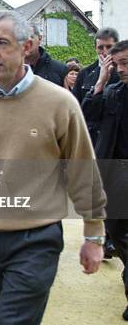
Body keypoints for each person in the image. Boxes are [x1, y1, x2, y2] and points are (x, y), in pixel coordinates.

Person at [0, 10, 107, 325]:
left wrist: (94, 235)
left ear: (27, 46)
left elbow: (82, 172)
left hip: (35, 240)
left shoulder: (60, 103)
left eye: (2, 43)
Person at [81, 40, 128, 321]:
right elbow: (87, 113)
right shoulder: (112, 93)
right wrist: (100, 81)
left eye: (126, 63)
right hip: (114, 175)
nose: (122, 69)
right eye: (118, 64)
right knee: (117, 232)